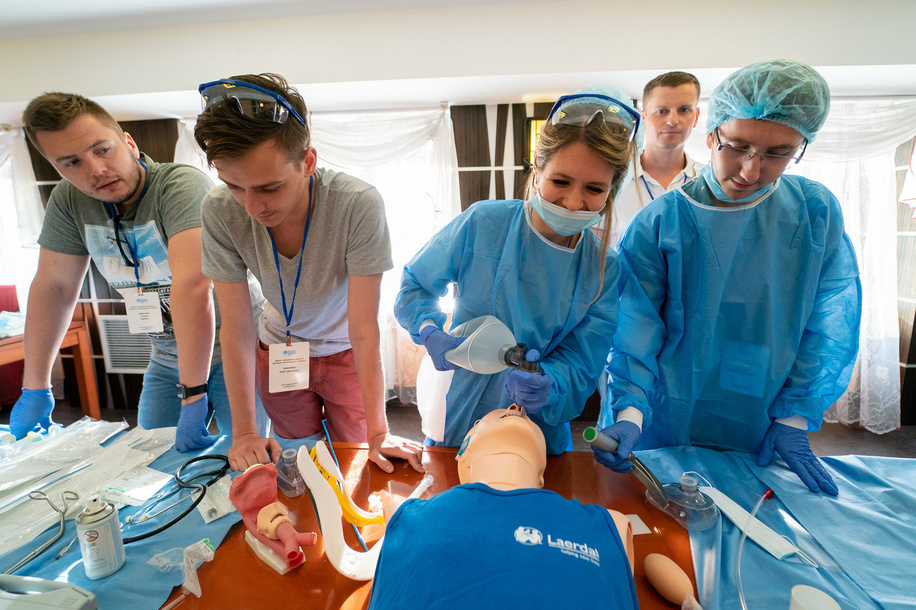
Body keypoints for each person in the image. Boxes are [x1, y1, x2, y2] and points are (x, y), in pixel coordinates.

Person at [595, 60, 861, 495]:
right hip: (663, 417)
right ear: (711, 133)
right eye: (736, 146)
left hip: (760, 414)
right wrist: (629, 414)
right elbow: (634, 332)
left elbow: (829, 320)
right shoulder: (661, 221)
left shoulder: (814, 213)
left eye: (778, 154)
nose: (750, 171)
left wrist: (794, 416)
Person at [193, 73, 423, 474]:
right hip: (278, 351)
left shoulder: (356, 204)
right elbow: (235, 324)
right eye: (234, 186)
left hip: (345, 352)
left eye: (269, 187)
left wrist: (379, 432)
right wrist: (245, 431)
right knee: (300, 463)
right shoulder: (218, 209)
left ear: (308, 162)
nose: (252, 207)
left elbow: (365, 326)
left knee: (359, 460)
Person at [394, 85, 642, 454]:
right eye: (560, 181)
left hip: (537, 429)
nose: (573, 203)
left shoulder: (604, 267)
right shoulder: (484, 224)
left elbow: (583, 360)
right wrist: (429, 330)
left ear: (613, 190)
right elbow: (415, 286)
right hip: (463, 412)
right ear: (538, 168)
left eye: (594, 188)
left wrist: (550, 382)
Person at [13, 92, 249, 451]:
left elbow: (193, 286)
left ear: (129, 143)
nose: (95, 170)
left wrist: (194, 393)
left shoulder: (180, 185)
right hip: (166, 353)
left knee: (253, 461)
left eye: (102, 150)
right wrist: (36, 387)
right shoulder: (69, 201)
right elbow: (54, 288)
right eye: (72, 162)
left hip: (236, 347)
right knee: (150, 462)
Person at [367, 405, 638, 609]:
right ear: (463, 457)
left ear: (542, 477)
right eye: (483, 418)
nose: (515, 407)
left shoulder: (611, 526)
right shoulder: (400, 514)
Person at [600, 71, 703, 248]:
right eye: (662, 111)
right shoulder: (612, 181)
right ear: (644, 117)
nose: (672, 120)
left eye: (684, 110)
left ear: (696, 116)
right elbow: (594, 255)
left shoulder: (708, 182)